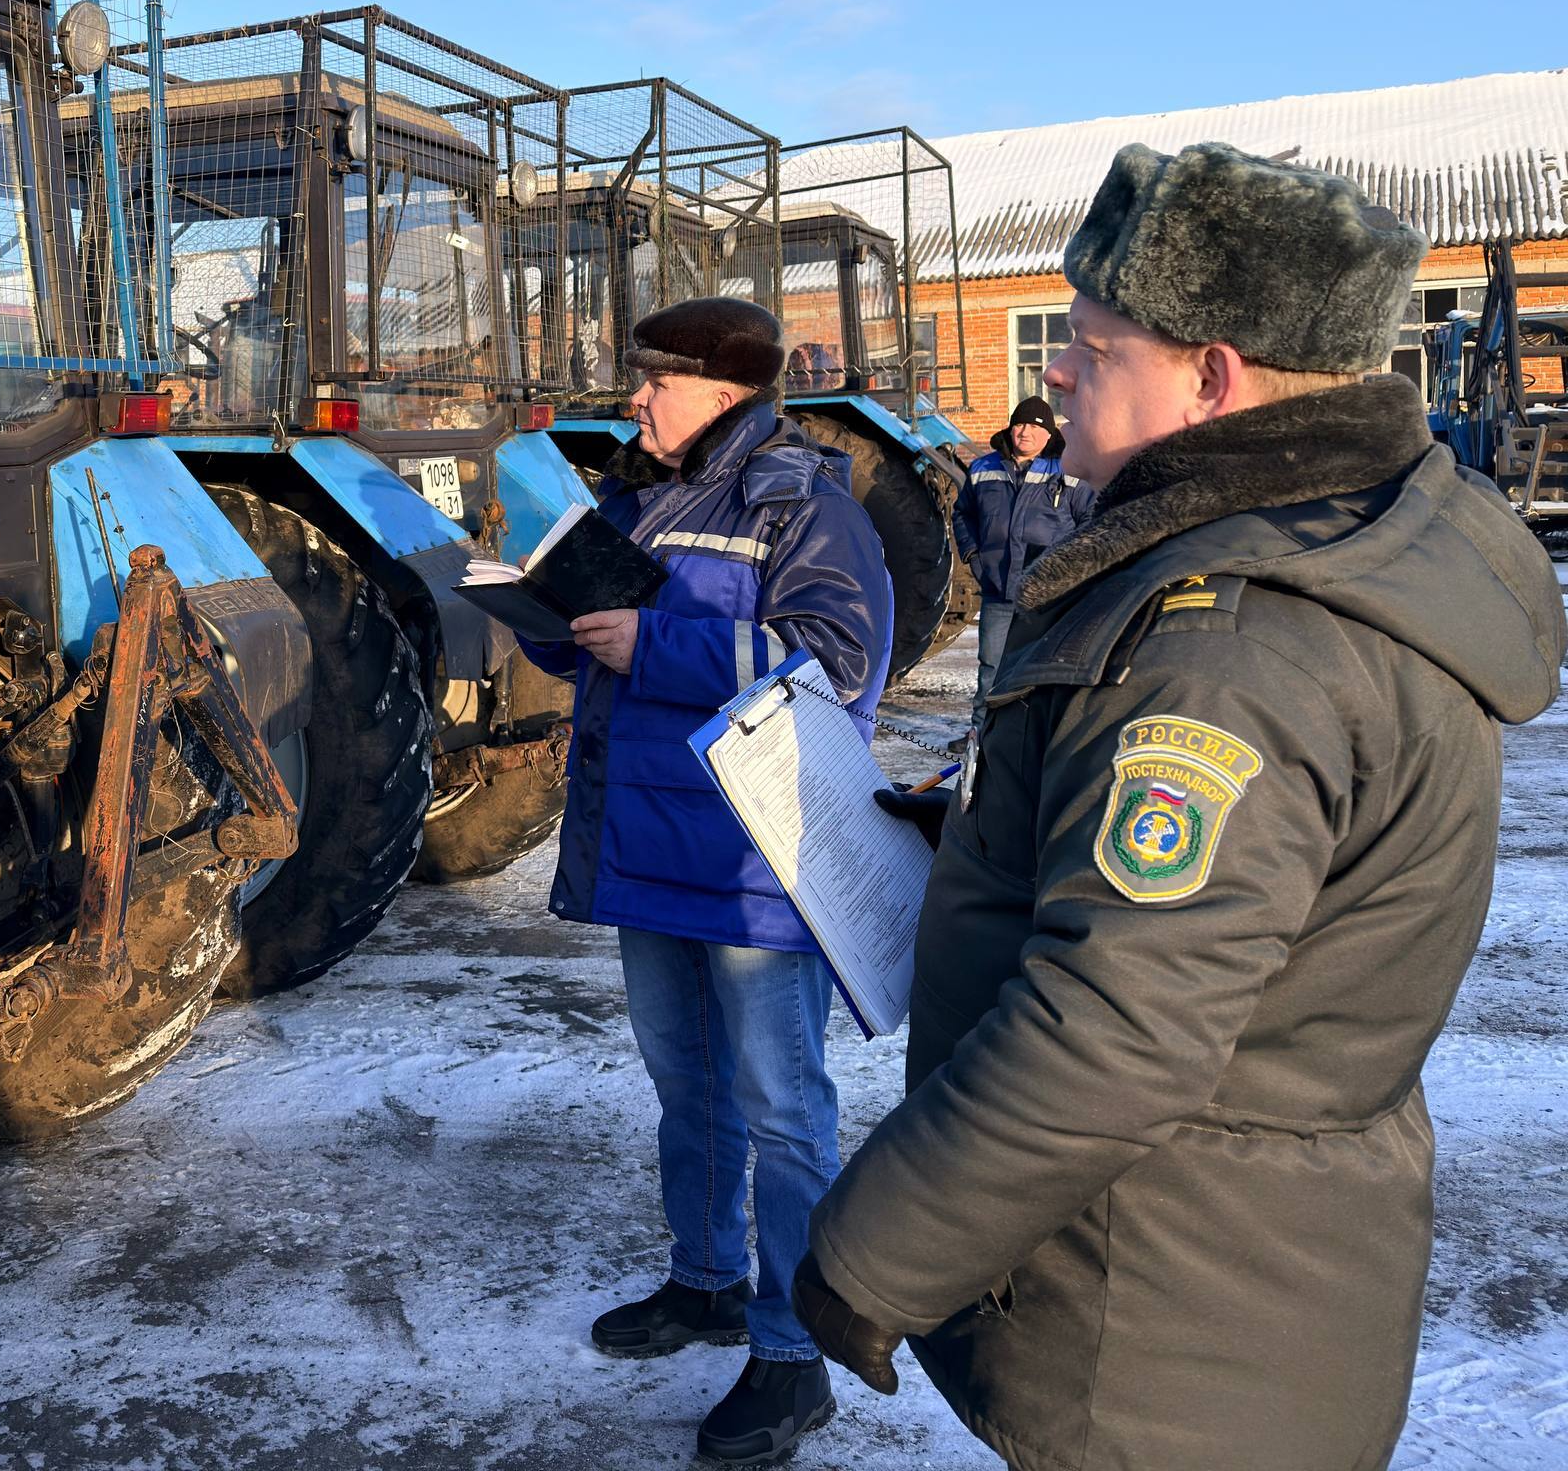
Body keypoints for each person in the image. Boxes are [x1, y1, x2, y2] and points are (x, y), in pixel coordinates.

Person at [793, 143, 1566, 1471]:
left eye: (1090, 346)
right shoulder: (1347, 538)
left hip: (1158, 1314)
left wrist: (868, 1259)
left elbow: (1117, 1033)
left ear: (1212, 376)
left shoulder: (1227, 646)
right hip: (1257, 1267)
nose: (1054, 371)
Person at [519, 296, 894, 1466]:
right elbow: (599, 636)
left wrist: (655, 644)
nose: (635, 399)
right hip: (646, 852)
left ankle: (793, 1358)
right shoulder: (637, 494)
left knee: (783, 1111)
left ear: (726, 392)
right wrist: (544, 611)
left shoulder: (803, 503)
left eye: (656, 382)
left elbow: (838, 665)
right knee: (689, 1090)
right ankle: (706, 1282)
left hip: (751, 861)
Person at [953, 394, 1094, 720]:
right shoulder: (983, 468)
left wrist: (1069, 567)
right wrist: (973, 554)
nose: (1024, 432)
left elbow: (1091, 519)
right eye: (1019, 423)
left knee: (1047, 668)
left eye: (1034, 425)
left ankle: (1040, 734)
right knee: (991, 666)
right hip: (999, 589)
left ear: (1049, 434)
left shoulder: (1067, 469)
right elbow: (963, 514)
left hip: (1050, 595)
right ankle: (982, 737)